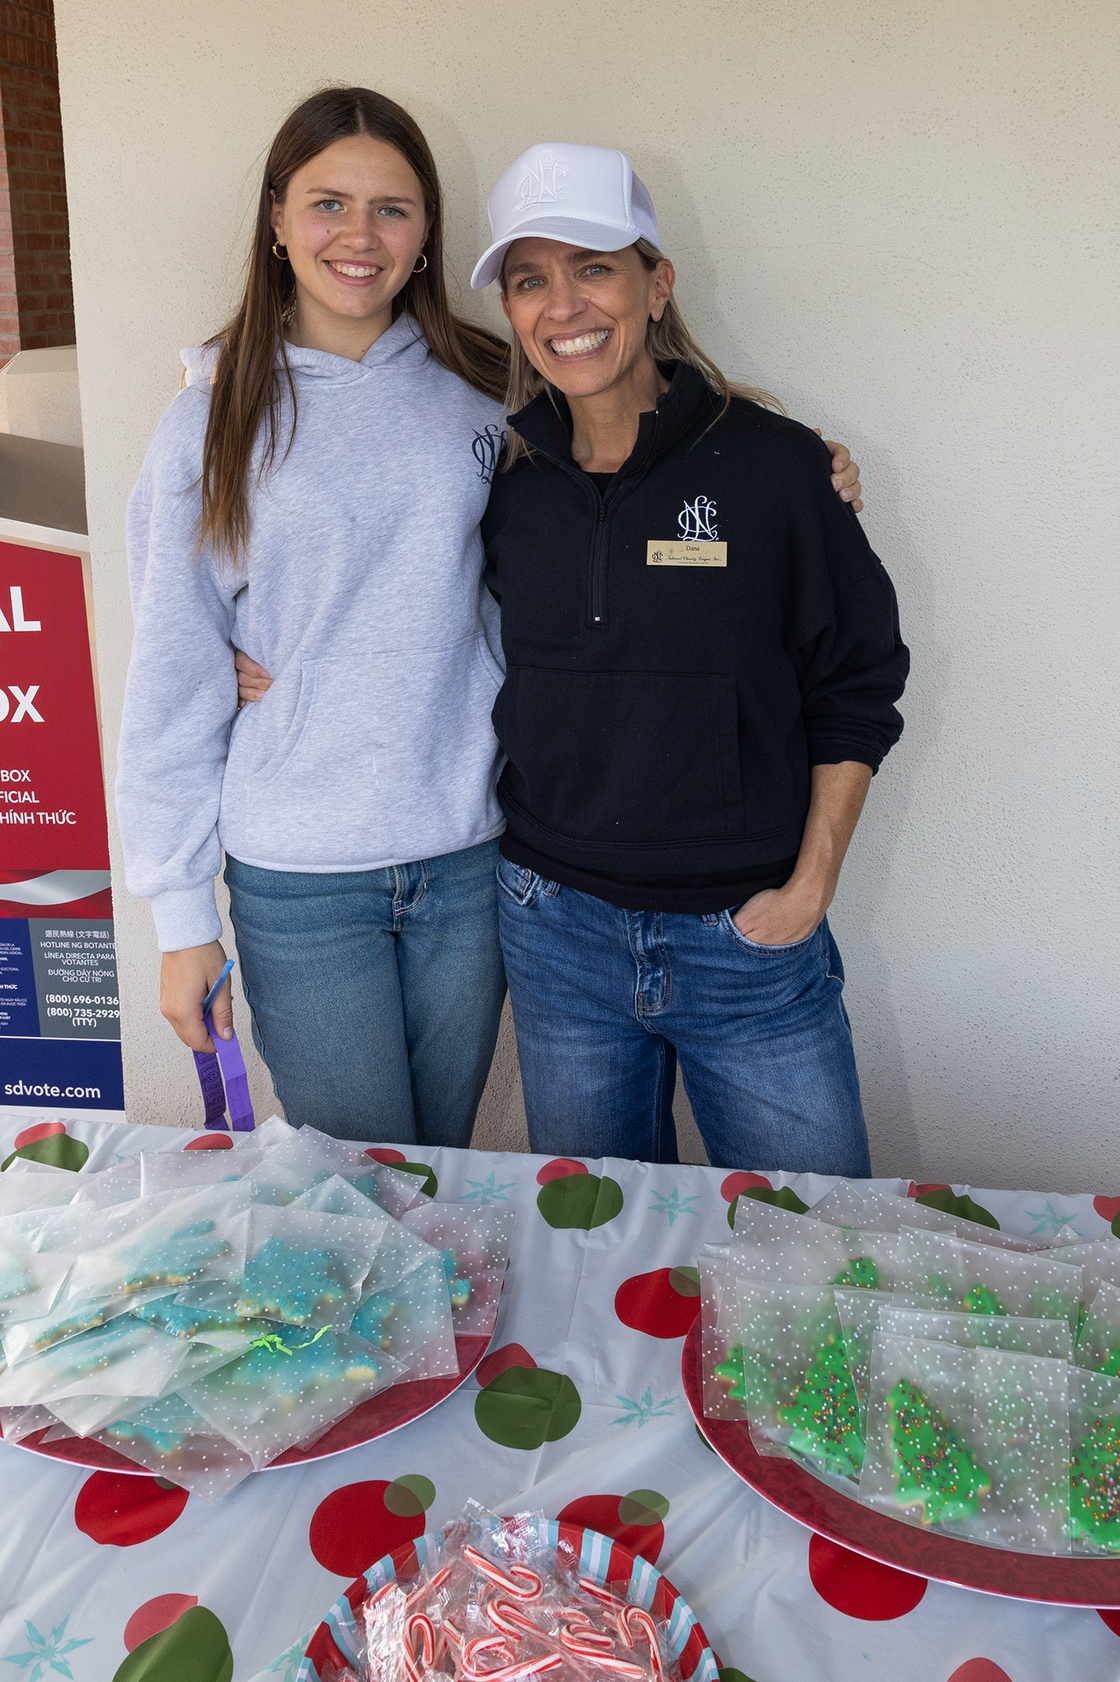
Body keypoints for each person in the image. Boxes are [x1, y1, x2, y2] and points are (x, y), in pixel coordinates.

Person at [470, 143, 908, 1173]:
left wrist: (810, 884)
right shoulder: (508, 483)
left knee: (815, 1251)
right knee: (590, 1242)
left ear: (654, 285)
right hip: (554, 929)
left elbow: (859, 677)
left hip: (744, 940)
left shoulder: (777, 468)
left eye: (594, 266)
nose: (563, 303)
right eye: (530, 278)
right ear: (511, 311)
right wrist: (253, 657)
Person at [116, 87, 513, 1145]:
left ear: (427, 235)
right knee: (353, 1179)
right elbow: (171, 673)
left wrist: (805, 469)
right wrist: (180, 919)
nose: (360, 235)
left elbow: (583, 561)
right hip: (300, 875)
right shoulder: (211, 418)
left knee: (443, 1169)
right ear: (278, 220)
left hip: (468, 855)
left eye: (393, 208)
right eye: (328, 202)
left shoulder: (492, 393)